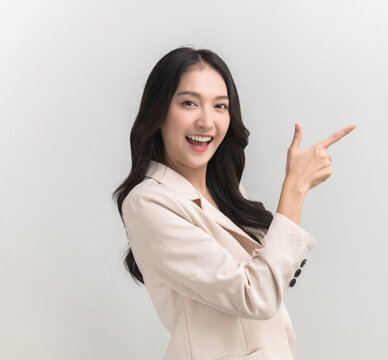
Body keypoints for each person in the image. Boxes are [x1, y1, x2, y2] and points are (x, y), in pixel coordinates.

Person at [112, 46, 355, 360]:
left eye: (220, 106)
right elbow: (256, 296)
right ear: (158, 112)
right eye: (189, 103)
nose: (206, 121)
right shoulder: (147, 202)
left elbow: (269, 279)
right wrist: (295, 188)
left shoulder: (226, 190)